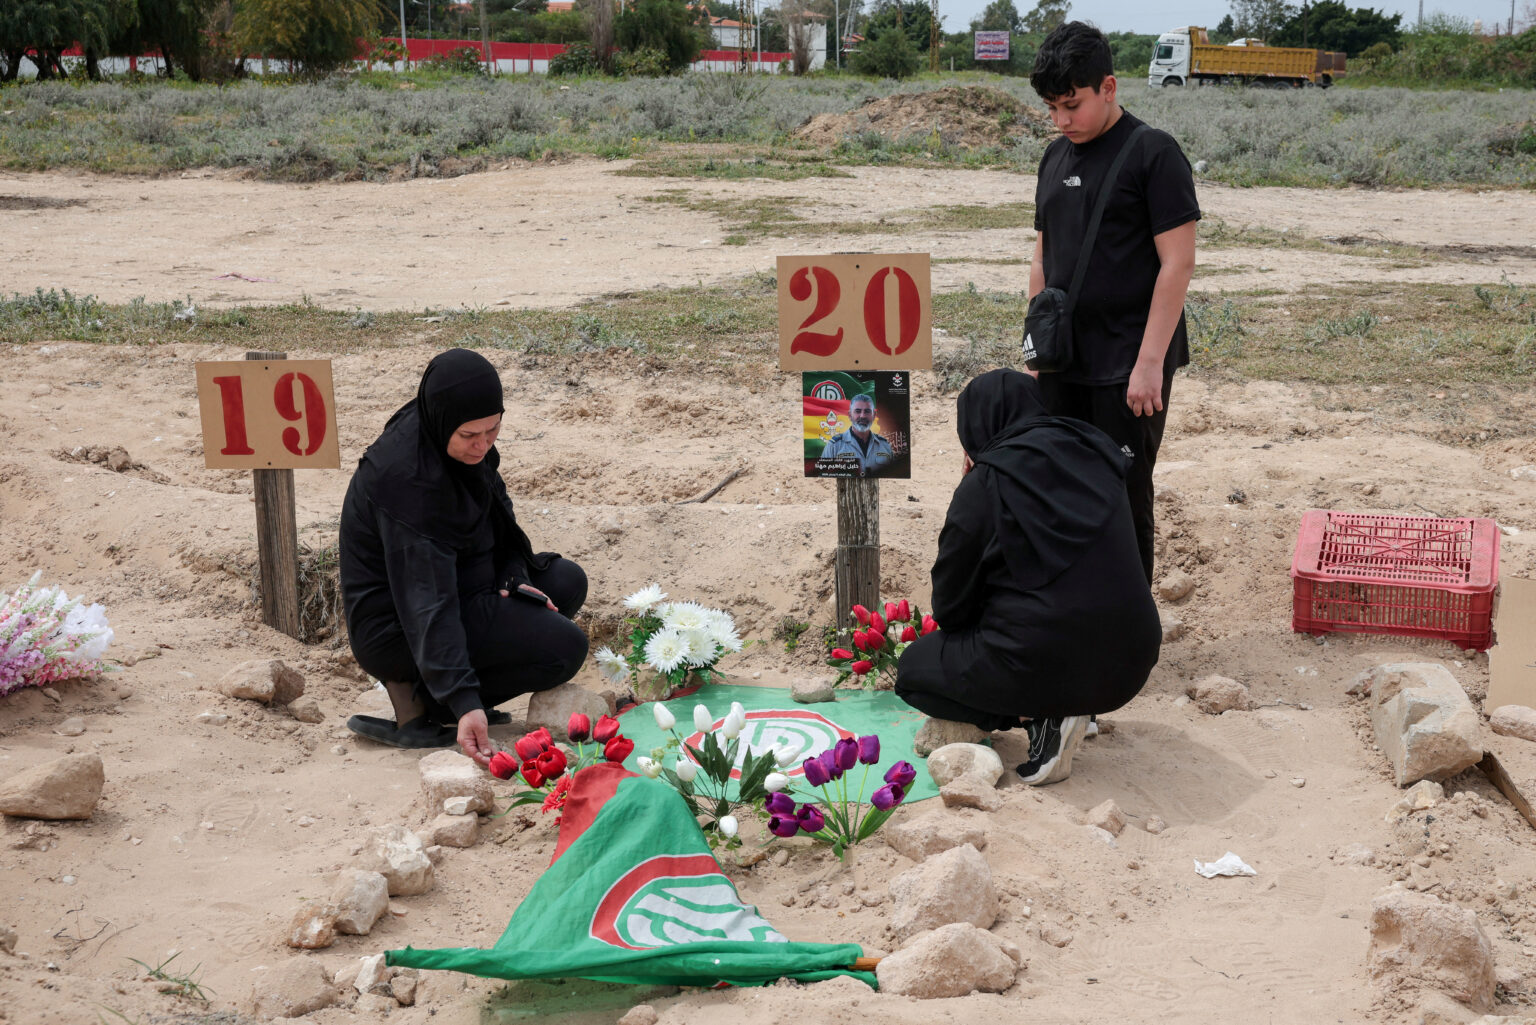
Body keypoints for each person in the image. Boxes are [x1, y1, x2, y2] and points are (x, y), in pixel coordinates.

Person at [894, 369, 1160, 785]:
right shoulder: (1098, 455)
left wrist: (972, 491)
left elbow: (950, 607)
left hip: (1042, 662)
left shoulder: (987, 483)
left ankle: (1039, 716)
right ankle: (1076, 710)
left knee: (913, 672)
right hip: (1130, 664)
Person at [339, 349, 589, 766]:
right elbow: (427, 601)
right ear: (442, 422)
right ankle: (427, 700)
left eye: (493, 429)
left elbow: (498, 516)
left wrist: (511, 574)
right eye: (470, 435)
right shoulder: (408, 482)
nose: (483, 444)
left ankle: (441, 691)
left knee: (565, 581)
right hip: (398, 626)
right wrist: (464, 700)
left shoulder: (450, 435)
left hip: (462, 581)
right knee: (565, 648)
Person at [1028, 21, 1200, 584]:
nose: (1061, 120)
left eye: (1071, 105)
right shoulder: (1054, 158)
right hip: (1063, 360)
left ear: (1108, 87)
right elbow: (1042, 259)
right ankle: (1073, 612)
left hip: (1127, 364)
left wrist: (1149, 364)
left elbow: (1177, 264)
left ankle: (1129, 619)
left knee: (1123, 494)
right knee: (1060, 490)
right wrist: (1035, 354)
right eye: (1052, 108)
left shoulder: (1153, 153)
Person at [817, 393, 896, 475]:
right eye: (858, 411)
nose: (862, 416)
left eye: (867, 411)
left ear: (874, 415)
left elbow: (893, 475)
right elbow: (823, 476)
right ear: (850, 415)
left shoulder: (885, 445)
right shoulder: (834, 445)